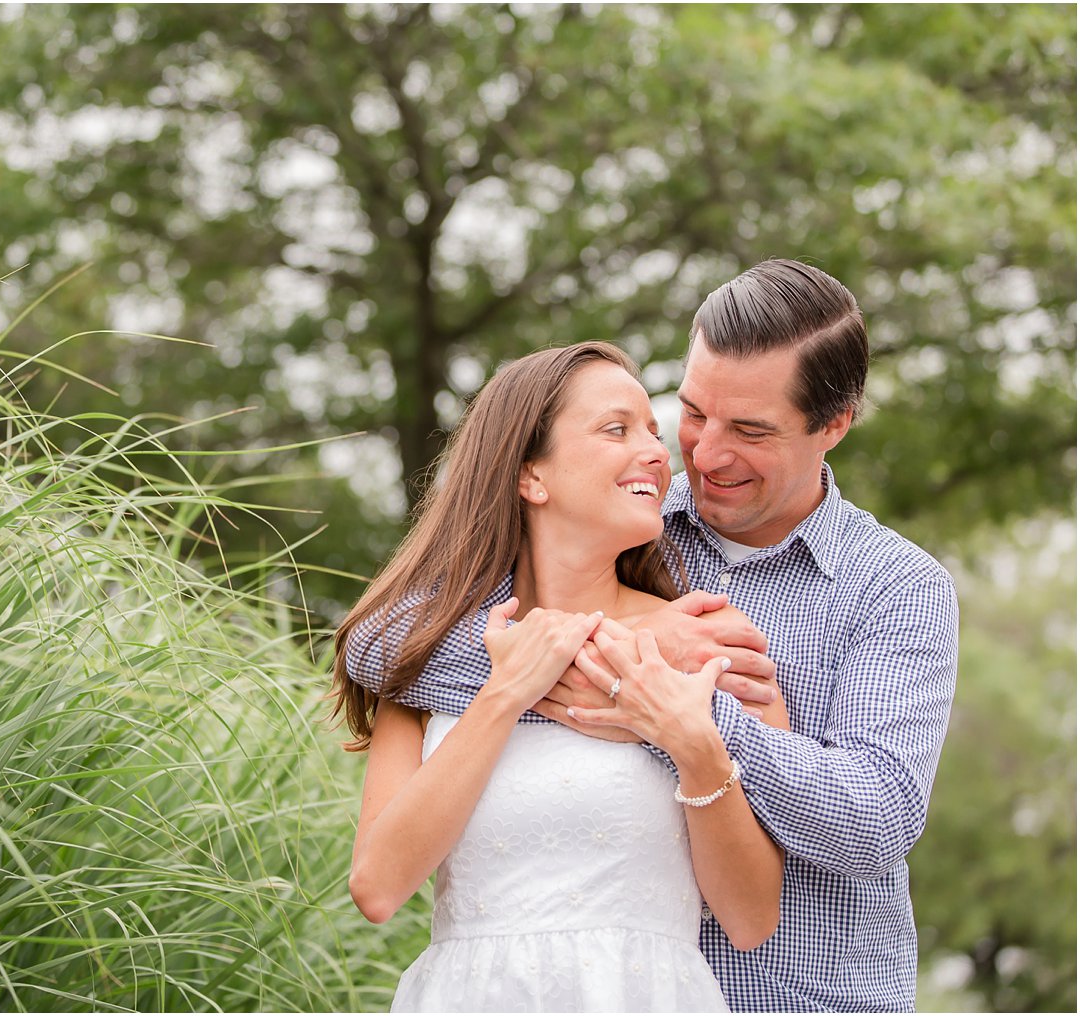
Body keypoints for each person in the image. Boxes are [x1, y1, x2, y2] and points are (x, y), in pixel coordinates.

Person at [356, 259, 960, 1012]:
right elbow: (383, 647)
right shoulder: (626, 517)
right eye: (695, 413)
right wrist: (614, 658)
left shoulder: (896, 589)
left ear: (832, 425)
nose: (701, 455)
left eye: (750, 430)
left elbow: (873, 820)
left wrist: (674, 711)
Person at [332, 341, 787, 1013]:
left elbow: (751, 920)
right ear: (531, 477)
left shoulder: (707, 644)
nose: (659, 455)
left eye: (654, 434)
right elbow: (378, 887)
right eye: (616, 429)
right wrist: (506, 693)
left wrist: (693, 742)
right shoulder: (428, 663)